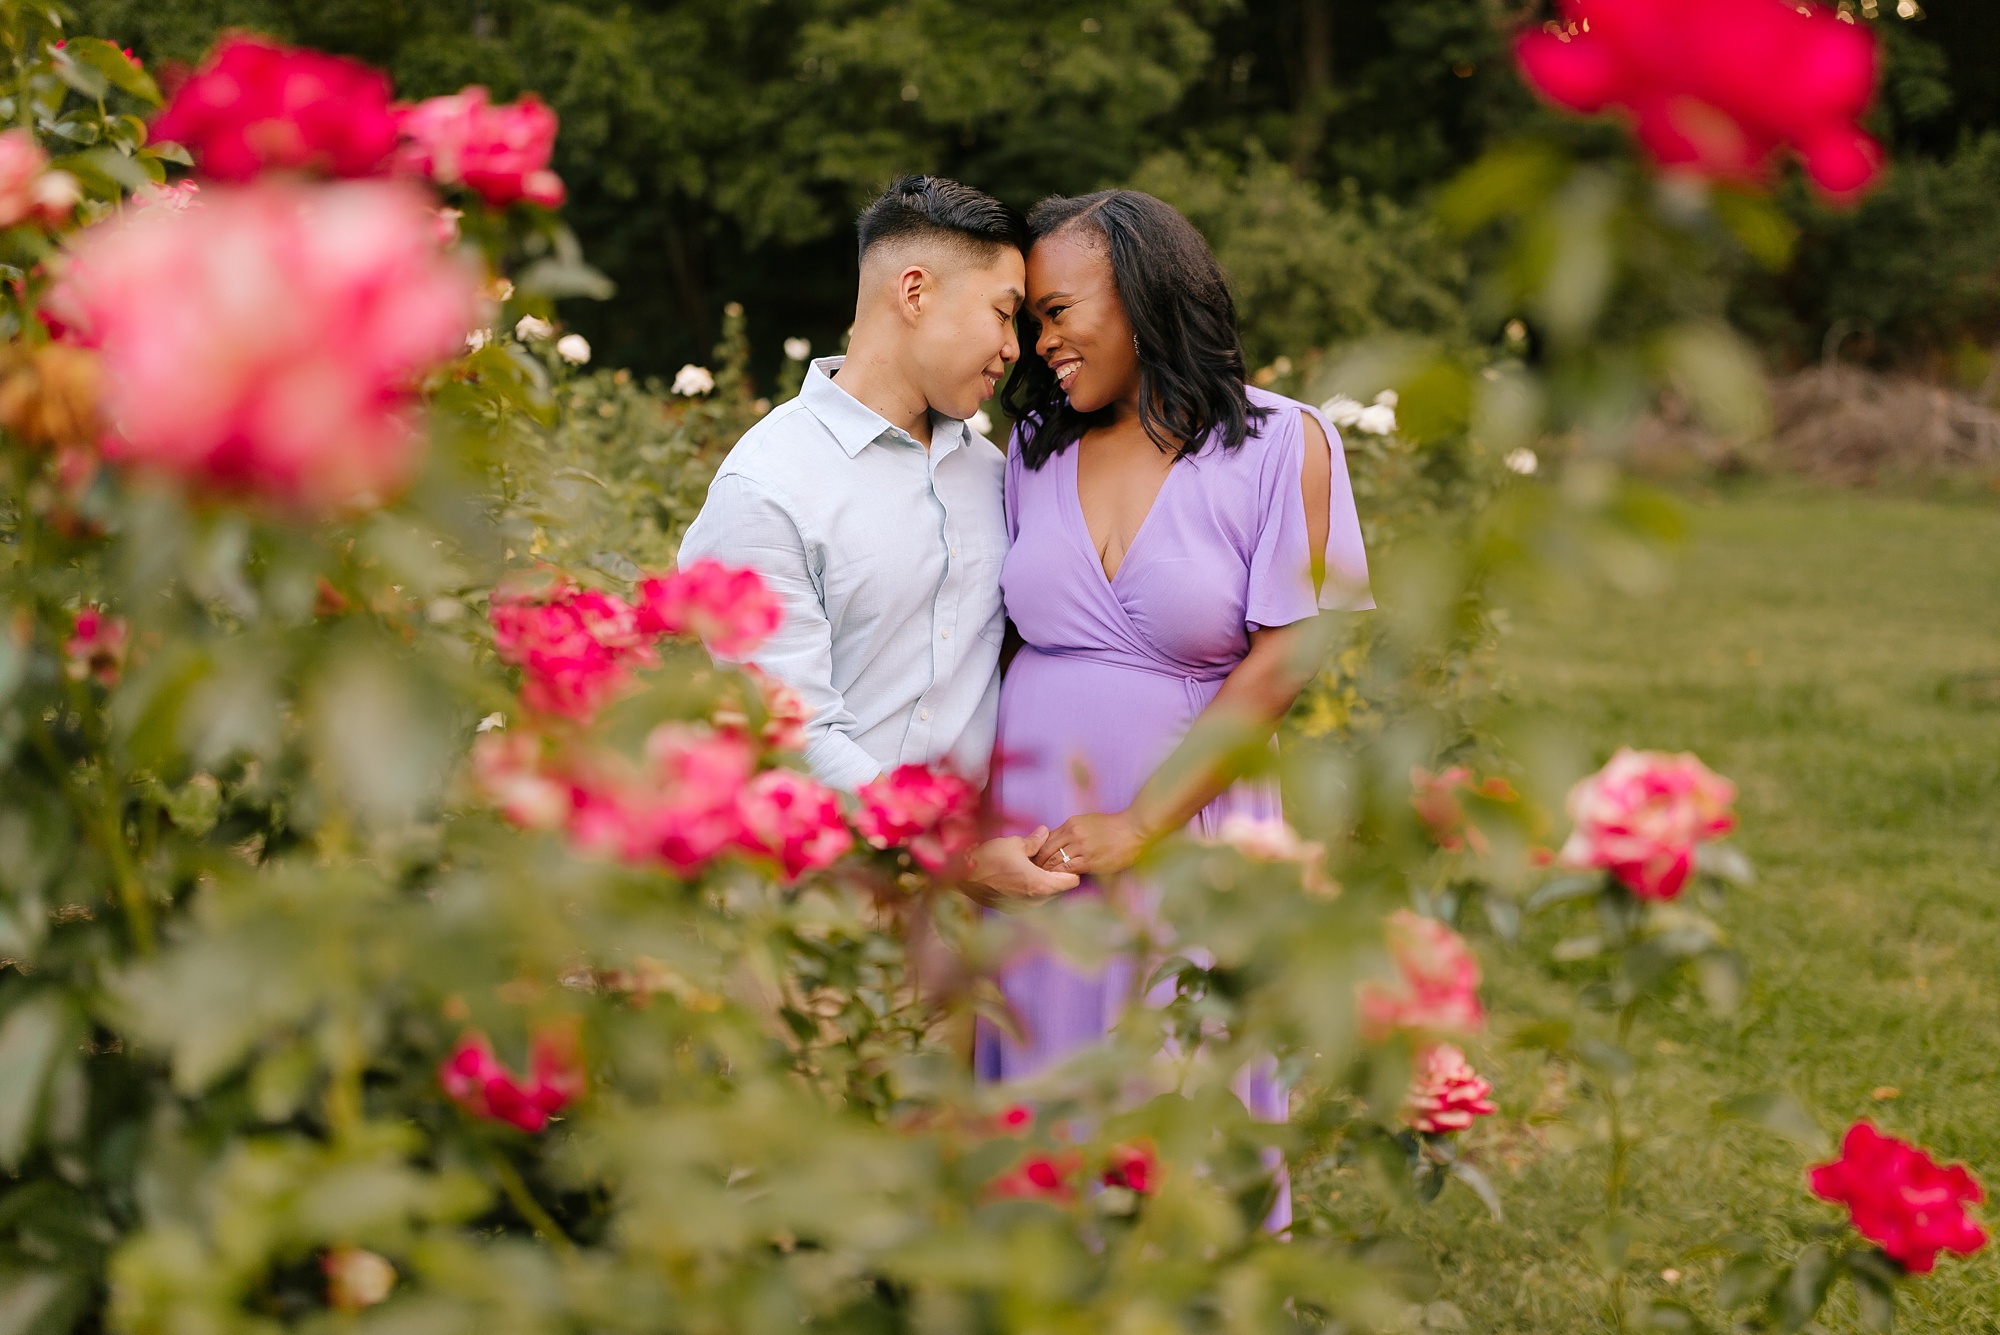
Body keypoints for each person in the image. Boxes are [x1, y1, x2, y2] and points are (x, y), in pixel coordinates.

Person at [976, 189, 1373, 1223]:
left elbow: (1287, 654)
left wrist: (1142, 820)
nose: (1041, 343)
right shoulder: (1031, 452)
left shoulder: (1283, 442)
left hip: (1188, 832)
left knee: (1178, 1110)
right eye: (1030, 323)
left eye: (1058, 311)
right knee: (1039, 1118)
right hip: (1039, 847)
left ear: (1144, 289)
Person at [678, 175, 1076, 900]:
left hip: (955, 920)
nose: (1017, 348)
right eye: (1003, 313)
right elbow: (788, 735)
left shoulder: (996, 474)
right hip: (816, 916)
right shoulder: (767, 489)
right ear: (915, 292)